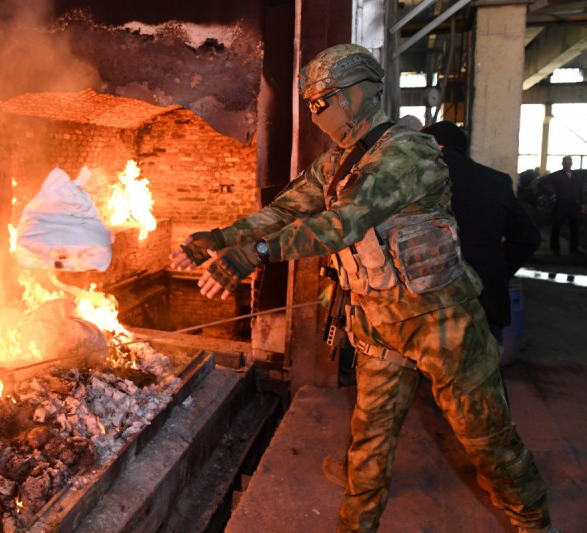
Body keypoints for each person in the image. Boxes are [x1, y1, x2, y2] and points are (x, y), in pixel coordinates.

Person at [170, 44, 556, 533]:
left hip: (441, 321)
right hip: (376, 321)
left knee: (486, 436)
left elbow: (345, 222)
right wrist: (221, 238)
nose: (316, 115)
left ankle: (533, 522)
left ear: (356, 94)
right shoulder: (338, 164)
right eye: (311, 104)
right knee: (369, 437)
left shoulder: (407, 151)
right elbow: (287, 210)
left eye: (321, 102)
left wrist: (257, 254)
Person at [420, 120, 541, 343]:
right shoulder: (496, 181)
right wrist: (497, 268)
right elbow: (528, 237)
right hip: (484, 299)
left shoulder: (415, 182)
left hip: (425, 304)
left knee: (425, 373)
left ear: (431, 146)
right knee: (484, 373)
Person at [537, 155, 585, 255]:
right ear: (562, 164)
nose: (567, 165)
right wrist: (551, 193)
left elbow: (581, 191)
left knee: (574, 227)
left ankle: (574, 248)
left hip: (573, 204)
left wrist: (583, 203)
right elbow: (541, 183)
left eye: (569, 163)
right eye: (565, 163)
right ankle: (555, 248)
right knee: (556, 226)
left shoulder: (576, 176)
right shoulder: (556, 175)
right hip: (561, 204)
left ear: (571, 164)